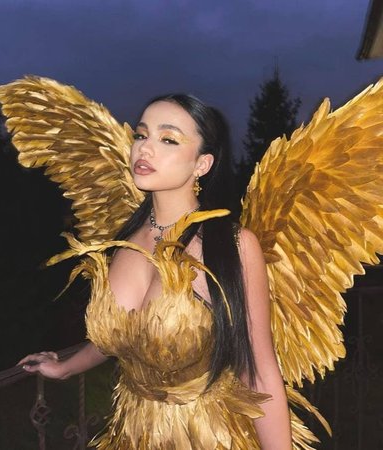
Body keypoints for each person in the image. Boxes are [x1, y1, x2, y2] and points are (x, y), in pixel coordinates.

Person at [18, 94, 292, 449]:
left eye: (168, 139)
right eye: (141, 134)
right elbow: (123, 336)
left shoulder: (232, 245)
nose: (144, 148)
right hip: (132, 434)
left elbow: (258, 372)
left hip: (206, 436)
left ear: (202, 164)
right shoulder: (125, 239)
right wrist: (66, 366)